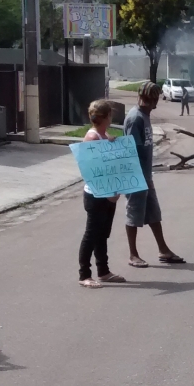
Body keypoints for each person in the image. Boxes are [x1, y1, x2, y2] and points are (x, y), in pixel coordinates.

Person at [124, 81, 185, 268]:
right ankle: (133, 255)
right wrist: (138, 178)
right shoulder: (136, 118)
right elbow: (130, 150)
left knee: (153, 213)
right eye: (149, 99)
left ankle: (163, 250)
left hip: (146, 175)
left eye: (153, 99)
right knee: (134, 213)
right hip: (136, 176)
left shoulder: (145, 116)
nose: (152, 103)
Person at [78, 100, 126, 289]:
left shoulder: (103, 136)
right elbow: (90, 170)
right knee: (91, 234)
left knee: (102, 234)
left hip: (108, 194)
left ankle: (103, 271)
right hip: (96, 195)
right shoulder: (92, 138)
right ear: (107, 116)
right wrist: (106, 193)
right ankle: (84, 274)